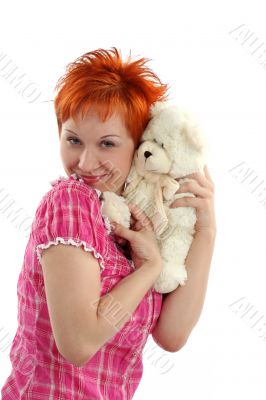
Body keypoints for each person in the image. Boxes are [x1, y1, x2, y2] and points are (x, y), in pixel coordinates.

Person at [1, 47, 216, 399]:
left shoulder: (131, 221)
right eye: (73, 140)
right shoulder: (70, 201)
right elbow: (80, 342)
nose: (85, 162)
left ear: (138, 145)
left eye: (107, 144)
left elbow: (171, 335)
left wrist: (206, 230)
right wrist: (149, 268)